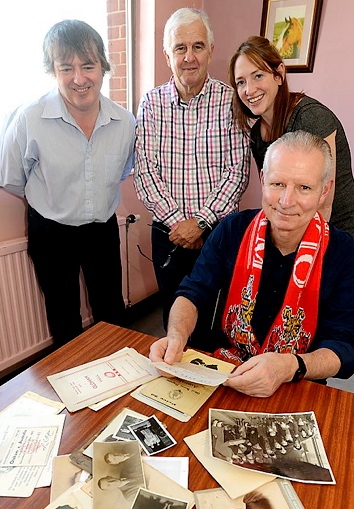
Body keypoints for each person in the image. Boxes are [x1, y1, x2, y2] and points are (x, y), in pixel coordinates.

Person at [149, 130, 354, 398]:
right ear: (262, 180)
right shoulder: (232, 229)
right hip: (223, 372)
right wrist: (176, 335)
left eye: (304, 187)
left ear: (324, 191)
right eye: (278, 184)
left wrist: (290, 366)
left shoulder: (345, 252)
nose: (286, 201)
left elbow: (345, 347)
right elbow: (192, 293)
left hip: (297, 384)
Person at [0, 20, 135, 346]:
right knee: (63, 319)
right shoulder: (28, 118)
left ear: (103, 66)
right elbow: (13, 179)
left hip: (101, 230)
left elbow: (119, 173)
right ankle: (73, 390)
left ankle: (117, 387)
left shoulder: (124, 122)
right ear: (53, 70)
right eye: (66, 68)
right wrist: (55, 201)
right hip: (50, 232)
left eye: (88, 66)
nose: (79, 78)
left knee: (112, 313)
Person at [134, 8, 250, 351]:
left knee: (217, 322)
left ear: (211, 51)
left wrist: (200, 223)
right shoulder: (152, 104)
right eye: (180, 48)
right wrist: (180, 225)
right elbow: (146, 172)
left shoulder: (231, 100)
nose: (189, 57)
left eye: (198, 46)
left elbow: (237, 171)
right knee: (175, 320)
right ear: (167, 54)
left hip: (217, 233)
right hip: (167, 235)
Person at [228, 35, 354, 236]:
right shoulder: (257, 134)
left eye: (258, 76)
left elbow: (323, 205)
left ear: (279, 74)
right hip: (294, 230)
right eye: (241, 82)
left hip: (338, 233)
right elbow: (274, 196)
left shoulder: (312, 118)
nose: (249, 90)